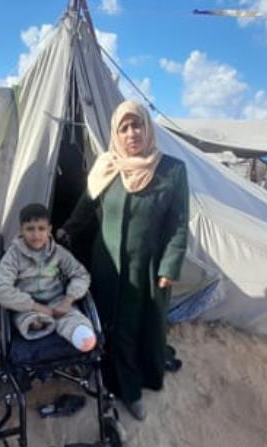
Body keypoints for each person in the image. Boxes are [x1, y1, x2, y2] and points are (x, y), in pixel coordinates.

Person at [59, 100, 189, 421]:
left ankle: (130, 391)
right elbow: (85, 208)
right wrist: (63, 232)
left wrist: (169, 267)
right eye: (124, 127)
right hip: (107, 267)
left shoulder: (171, 170)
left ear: (148, 127)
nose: (132, 133)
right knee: (106, 325)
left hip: (145, 270)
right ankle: (106, 376)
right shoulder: (107, 167)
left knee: (134, 328)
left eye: (138, 125)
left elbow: (179, 223)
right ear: (116, 133)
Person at [0, 203, 97, 352]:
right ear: (22, 230)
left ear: (49, 230)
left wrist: (68, 300)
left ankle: (77, 331)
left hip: (57, 302)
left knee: (76, 323)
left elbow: (80, 274)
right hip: (27, 306)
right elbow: (0, 290)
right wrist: (36, 307)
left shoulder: (59, 253)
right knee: (31, 322)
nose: (36, 235)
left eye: (41, 229)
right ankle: (41, 324)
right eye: (30, 229)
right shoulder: (13, 256)